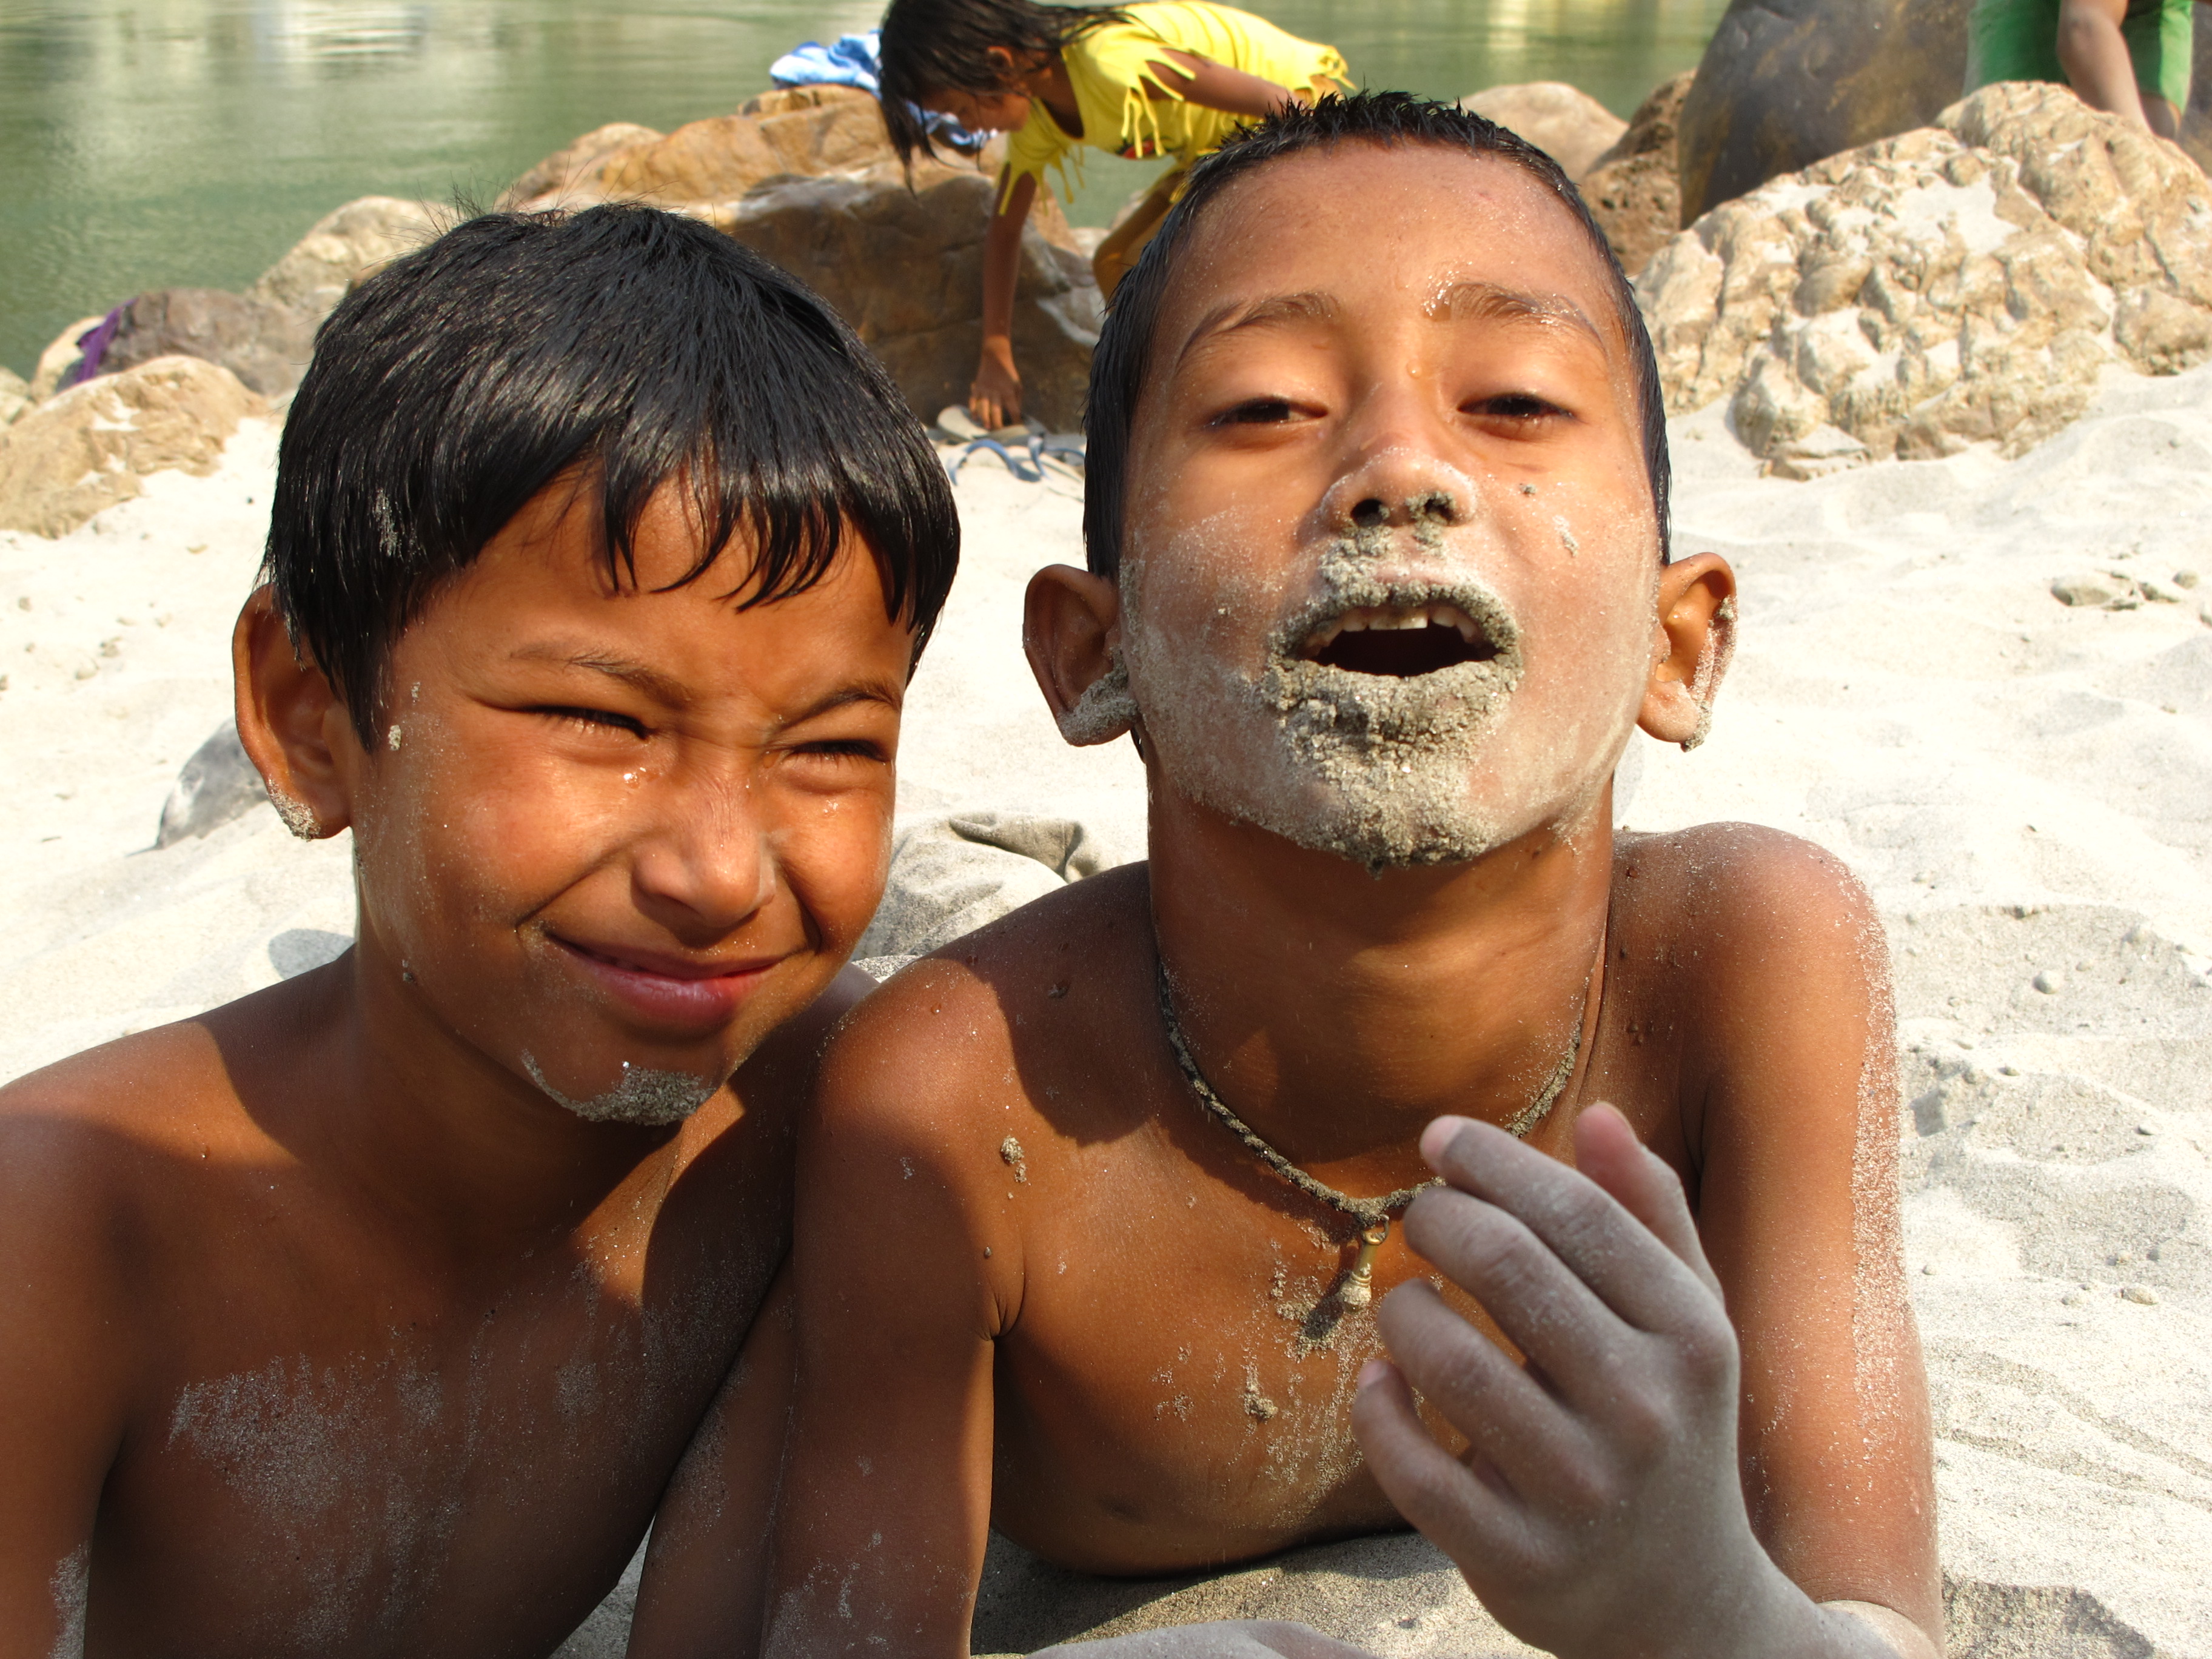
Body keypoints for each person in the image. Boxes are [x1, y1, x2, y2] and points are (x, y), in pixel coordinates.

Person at [750, 94, 1942, 1659]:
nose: (1400, 470)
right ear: (1097, 653)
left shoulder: (1749, 969)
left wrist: (1708, 1607)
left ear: (1678, 642)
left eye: (1513, 401)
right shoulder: (961, 1102)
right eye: (1264, 408)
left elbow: (1869, 1615)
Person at [0, 203, 957, 1655]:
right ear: (312, 718)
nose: (717, 871)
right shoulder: (67, 1234)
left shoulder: (819, 1121)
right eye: (598, 719)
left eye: (828, 745)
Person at [875, 0, 1349, 429]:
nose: (969, 126)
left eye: (961, 109)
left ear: (999, 63)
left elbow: (1282, 103)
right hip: (1222, 146)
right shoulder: (1040, 118)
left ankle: (1242, 398)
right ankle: (1171, 405)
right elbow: (1004, 229)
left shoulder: (1110, 64)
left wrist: (1315, 202)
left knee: (1178, 263)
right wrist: (995, 350)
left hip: (1300, 117)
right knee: (1116, 263)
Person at [1965, 0, 2206, 138]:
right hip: (2037, 11)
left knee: (2157, 153)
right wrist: (2141, 156)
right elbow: (2083, 28)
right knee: (2022, 143)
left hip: (2154, 10)